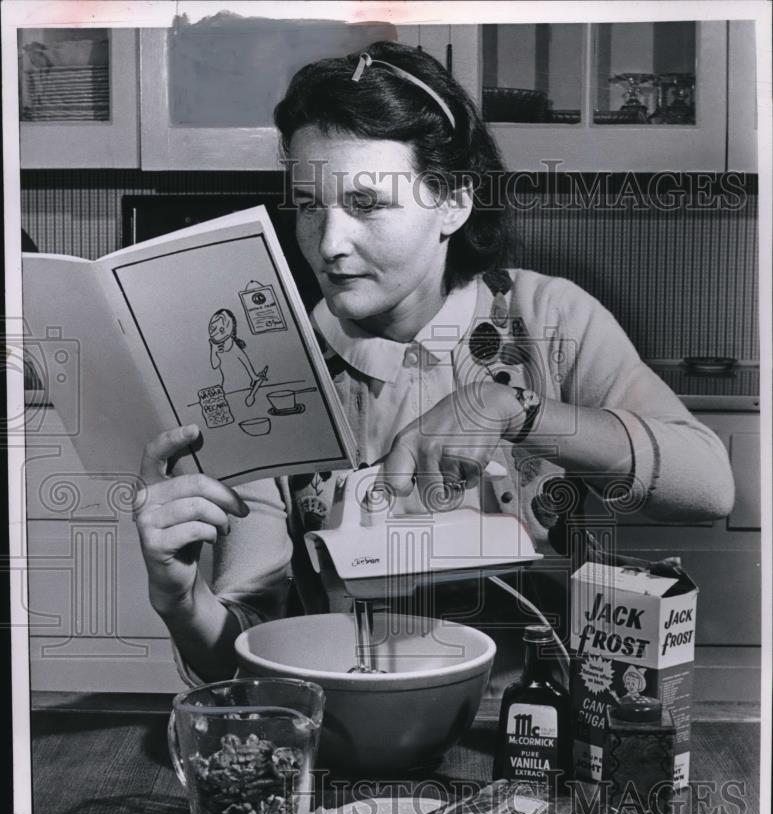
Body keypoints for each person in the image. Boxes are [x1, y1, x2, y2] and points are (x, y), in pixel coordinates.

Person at [134, 42, 734, 687]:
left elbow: (708, 488)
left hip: (532, 728)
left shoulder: (548, 319)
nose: (329, 244)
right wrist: (182, 604)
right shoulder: (271, 369)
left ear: (452, 202)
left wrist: (513, 410)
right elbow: (249, 659)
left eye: (367, 204)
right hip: (347, 728)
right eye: (309, 205)